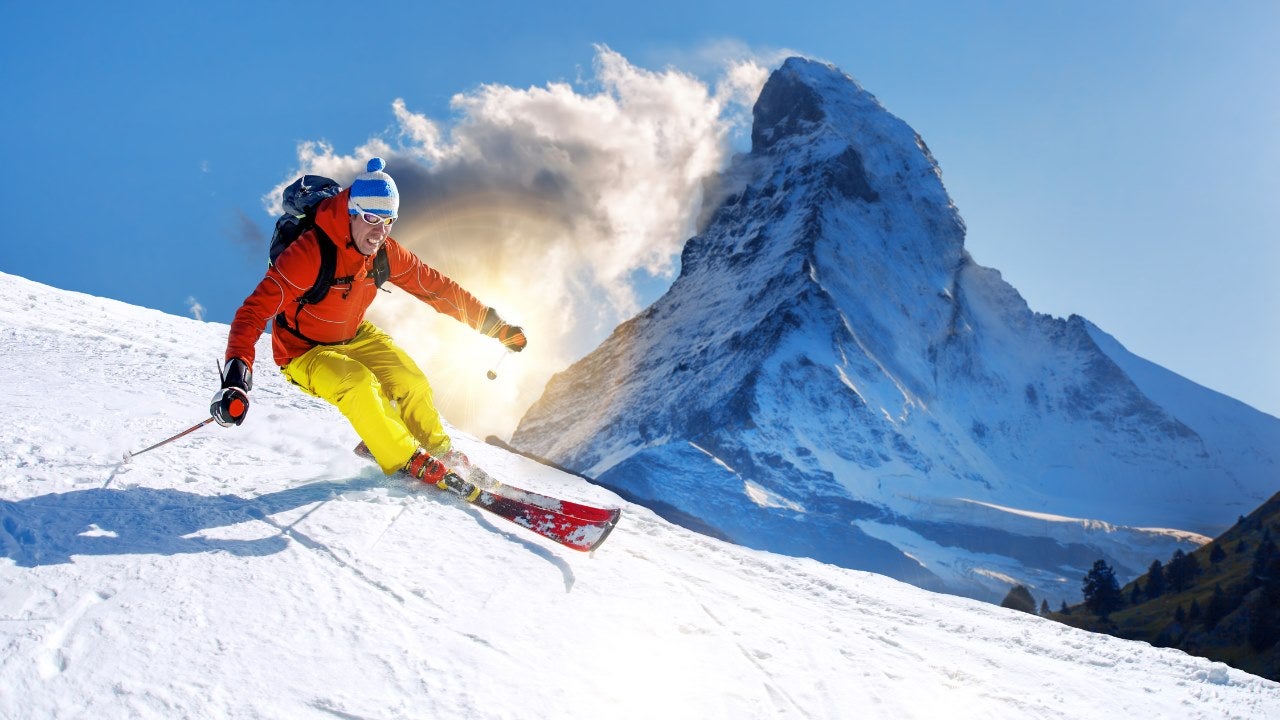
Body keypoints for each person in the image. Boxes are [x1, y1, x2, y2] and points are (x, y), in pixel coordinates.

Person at [211, 158, 526, 482]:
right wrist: (236, 377)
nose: (379, 232)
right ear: (351, 212)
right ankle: (407, 460)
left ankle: (439, 451)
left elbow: (438, 289)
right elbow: (252, 312)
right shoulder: (310, 254)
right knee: (359, 384)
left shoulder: (385, 254)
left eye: (388, 221)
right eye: (372, 218)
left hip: (354, 335)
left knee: (410, 380)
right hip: (303, 350)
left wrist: (496, 327)